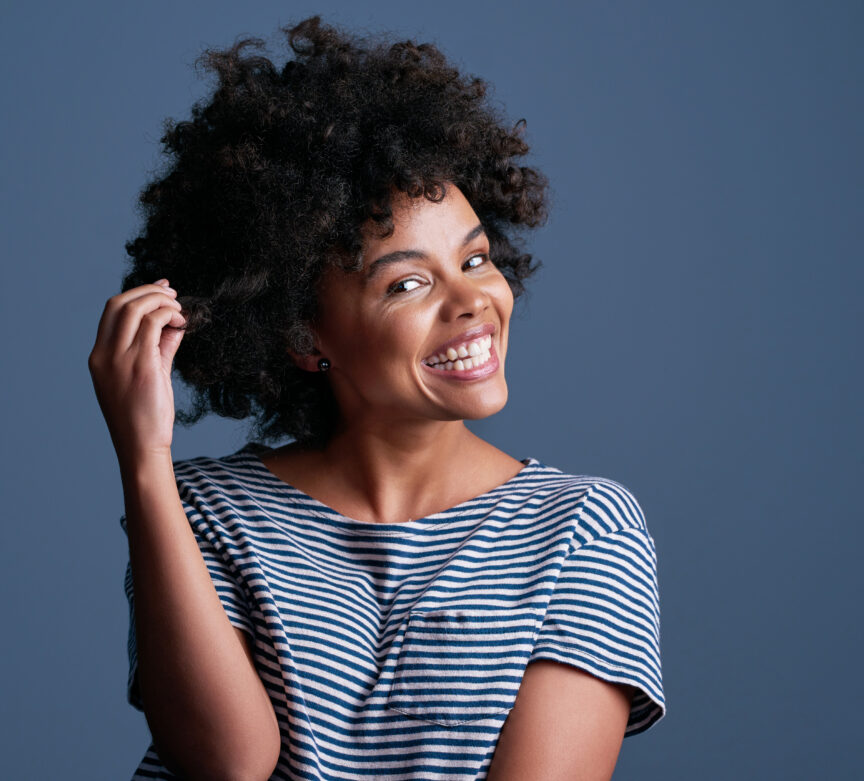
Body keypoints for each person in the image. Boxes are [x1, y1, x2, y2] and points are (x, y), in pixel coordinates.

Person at [88, 15, 665, 781]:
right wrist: (145, 463)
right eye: (408, 282)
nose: (472, 302)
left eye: (476, 258)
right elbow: (224, 762)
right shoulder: (202, 510)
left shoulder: (582, 530)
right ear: (303, 335)